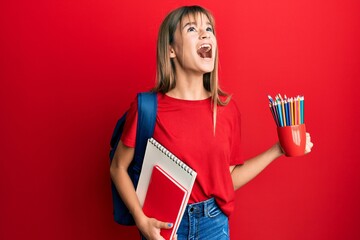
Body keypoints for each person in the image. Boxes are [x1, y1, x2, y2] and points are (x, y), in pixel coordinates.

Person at [110, 5, 313, 240]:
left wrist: (278, 149)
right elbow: (118, 168)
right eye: (192, 29)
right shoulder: (146, 107)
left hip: (213, 225)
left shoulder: (226, 110)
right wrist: (142, 221)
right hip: (165, 227)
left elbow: (226, 180)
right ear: (171, 50)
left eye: (209, 29)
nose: (205, 34)